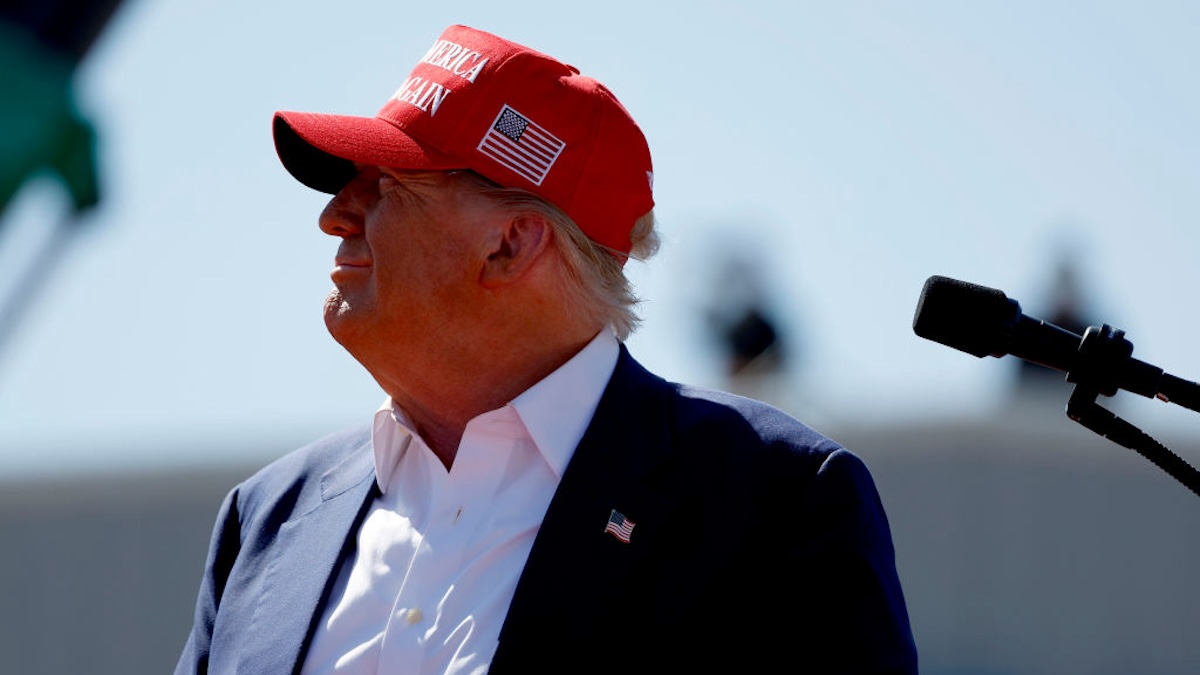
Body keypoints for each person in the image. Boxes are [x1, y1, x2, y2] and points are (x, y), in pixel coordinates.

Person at [175, 24, 918, 674]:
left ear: (511, 244)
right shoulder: (265, 518)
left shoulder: (776, 501)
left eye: (387, 185)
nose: (335, 215)